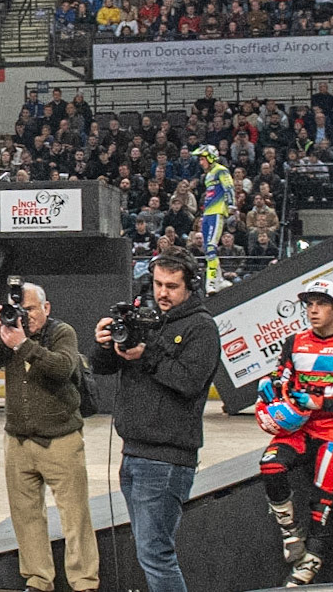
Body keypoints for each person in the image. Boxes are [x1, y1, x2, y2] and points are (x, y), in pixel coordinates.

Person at [89, 250, 219, 592]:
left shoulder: (202, 328)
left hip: (166, 460)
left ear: (190, 286)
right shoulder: (147, 322)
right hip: (133, 453)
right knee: (150, 552)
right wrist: (105, 344)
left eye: (172, 286)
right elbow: (102, 368)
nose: (163, 293)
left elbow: (188, 381)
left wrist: (148, 352)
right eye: (158, 284)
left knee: (156, 554)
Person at [0, 281, 97, 592]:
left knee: (75, 518)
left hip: (61, 440)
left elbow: (63, 367)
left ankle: (85, 582)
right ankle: (38, 579)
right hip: (18, 442)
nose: (25, 315)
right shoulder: (10, 334)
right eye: (19, 309)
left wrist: (23, 344)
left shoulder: (61, 332)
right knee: (26, 517)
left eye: (31, 309)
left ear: (46, 308)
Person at [256, 278, 333, 586]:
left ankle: (309, 567)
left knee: (323, 502)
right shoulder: (294, 341)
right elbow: (282, 376)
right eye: (309, 304)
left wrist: (320, 401)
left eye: (321, 304)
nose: (313, 310)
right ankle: (290, 533)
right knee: (271, 463)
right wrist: (270, 388)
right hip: (300, 429)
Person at [195, 143, 236, 292]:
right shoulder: (208, 175)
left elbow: (229, 188)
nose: (200, 162)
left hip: (217, 212)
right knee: (207, 249)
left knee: (211, 246)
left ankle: (211, 281)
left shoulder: (221, 170)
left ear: (211, 157)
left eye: (202, 159)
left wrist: (232, 206)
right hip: (207, 213)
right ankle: (219, 280)